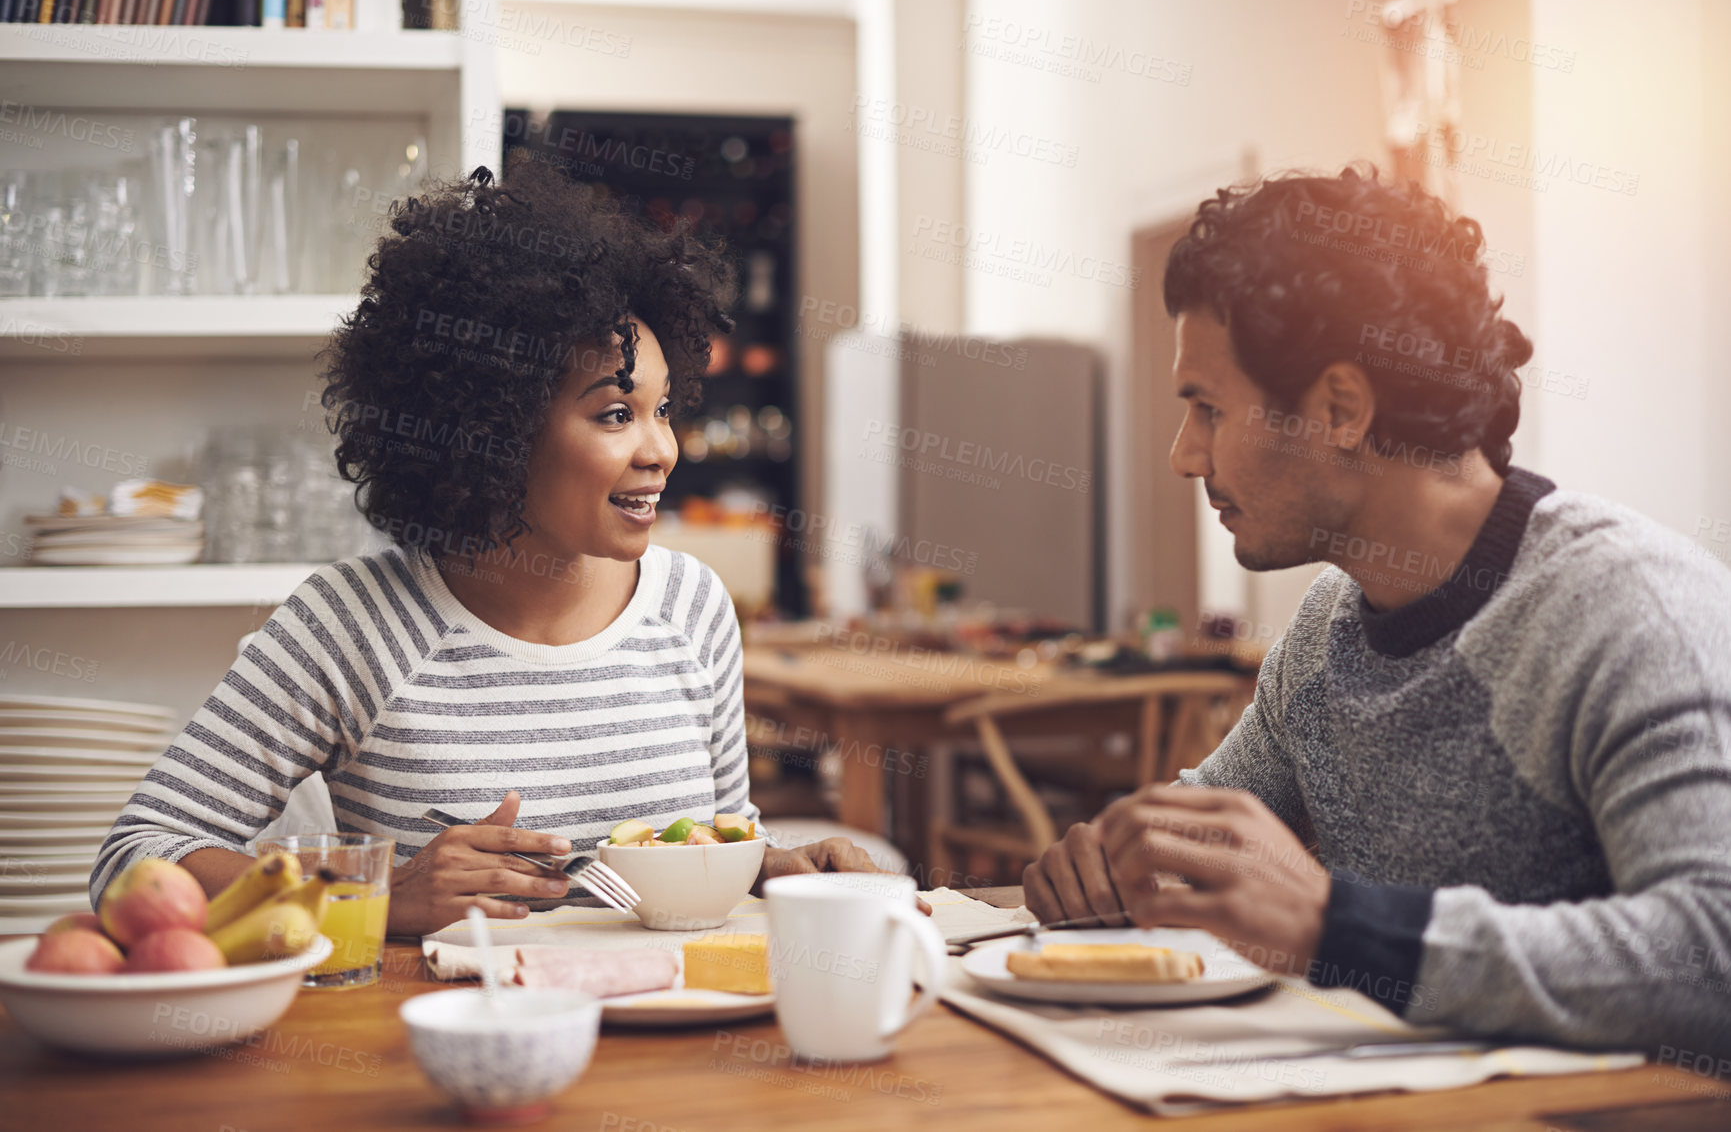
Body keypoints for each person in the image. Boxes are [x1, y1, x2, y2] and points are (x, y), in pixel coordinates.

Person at [1023, 165, 1731, 1057]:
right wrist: (1118, 859)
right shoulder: (1326, 629)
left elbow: (1711, 955)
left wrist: (1346, 928)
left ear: (1340, 409)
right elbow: (1205, 830)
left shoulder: (1630, 611)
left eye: (1207, 407)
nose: (1183, 454)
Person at [91, 152, 890, 935]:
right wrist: (375, 892)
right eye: (616, 414)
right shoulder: (350, 624)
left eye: (664, 409)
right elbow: (133, 857)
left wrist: (769, 863)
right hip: (453, 1052)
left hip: (675, 1050)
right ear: (494, 431)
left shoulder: (693, 606)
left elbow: (717, 842)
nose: (662, 450)